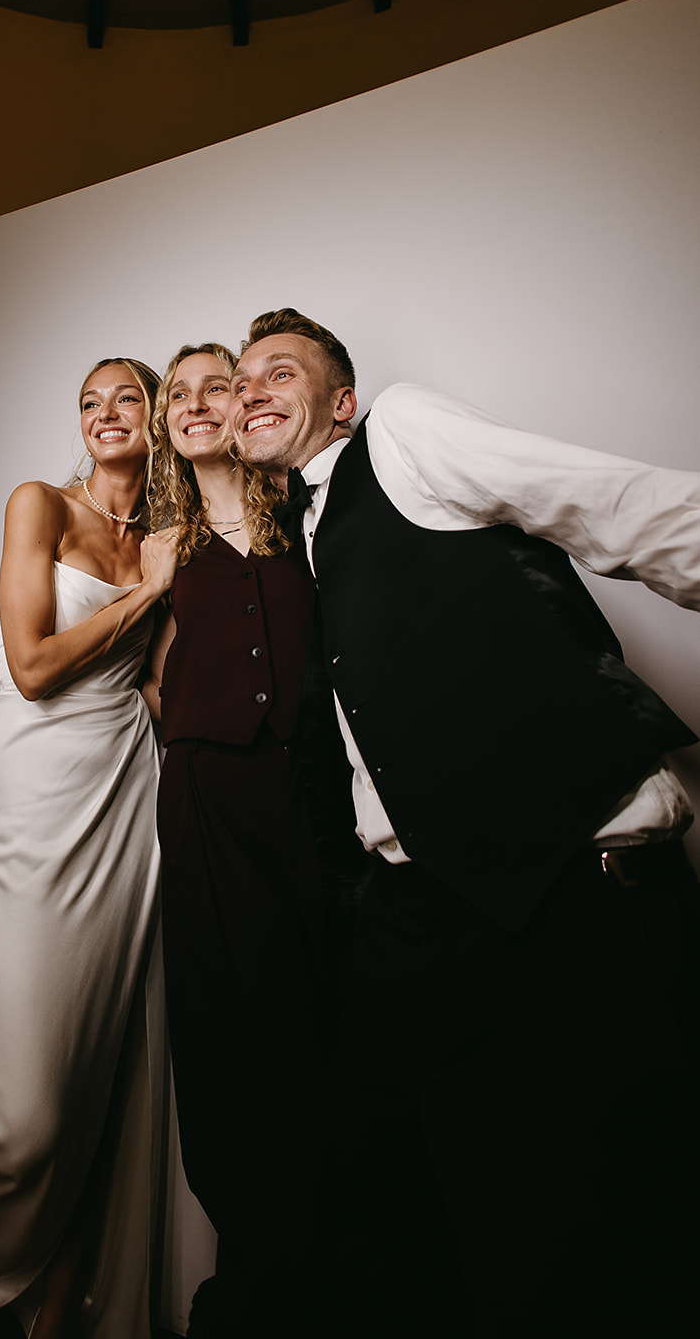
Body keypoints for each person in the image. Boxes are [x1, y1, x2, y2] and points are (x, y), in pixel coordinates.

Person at [229, 308, 700, 1339]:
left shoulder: (401, 435)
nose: (253, 386)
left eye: (281, 370)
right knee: (400, 1211)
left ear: (340, 401)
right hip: (420, 914)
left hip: (574, 893)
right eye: (241, 376)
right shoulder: (304, 536)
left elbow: (622, 507)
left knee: (601, 1239)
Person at [0, 357, 178, 1339]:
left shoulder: (161, 539)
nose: (105, 414)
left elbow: (154, 689)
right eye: (89, 400)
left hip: (126, 792)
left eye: (126, 398)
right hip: (33, 788)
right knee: (25, 1112)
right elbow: (28, 668)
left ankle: (62, 1297)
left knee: (99, 1056)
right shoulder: (39, 504)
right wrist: (143, 596)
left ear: (152, 421)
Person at [144, 343, 338, 1339]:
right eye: (174, 393)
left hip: (304, 797)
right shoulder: (161, 541)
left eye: (211, 385)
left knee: (316, 1022)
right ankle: (247, 1282)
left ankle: (322, 1270)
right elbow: (142, 670)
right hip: (207, 798)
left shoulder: (303, 516)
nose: (191, 403)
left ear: (244, 404)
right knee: (222, 1033)